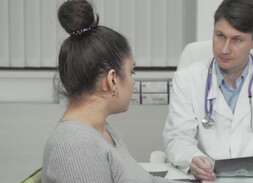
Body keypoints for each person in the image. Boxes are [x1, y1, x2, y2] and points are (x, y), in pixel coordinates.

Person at [163, 0, 253, 181]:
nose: (224, 49)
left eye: (236, 40)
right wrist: (193, 159)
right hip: (207, 179)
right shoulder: (187, 79)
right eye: (219, 36)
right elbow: (177, 138)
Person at [42, 1, 187, 183]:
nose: (133, 82)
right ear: (112, 80)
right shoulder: (76, 145)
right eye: (131, 72)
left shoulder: (102, 131)